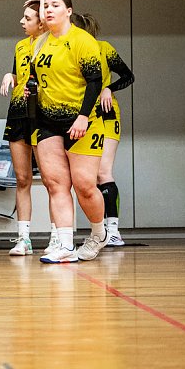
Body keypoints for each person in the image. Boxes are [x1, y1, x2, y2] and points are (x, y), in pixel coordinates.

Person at [29, 0, 107, 263]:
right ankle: (64, 245)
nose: (48, 10)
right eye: (45, 6)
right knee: (55, 184)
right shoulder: (39, 43)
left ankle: (99, 233)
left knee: (84, 185)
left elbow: (95, 82)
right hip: (48, 122)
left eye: (54, 6)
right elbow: (35, 77)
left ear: (68, 11)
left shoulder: (82, 41)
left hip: (83, 122)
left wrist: (83, 116)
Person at [72, 13, 135, 247]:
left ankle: (113, 230)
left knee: (103, 173)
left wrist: (109, 87)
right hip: (80, 116)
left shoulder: (103, 48)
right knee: (85, 177)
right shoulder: (65, 50)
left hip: (105, 113)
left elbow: (128, 76)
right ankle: (96, 230)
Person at [0, 1, 46, 256]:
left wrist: (40, 1)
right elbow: (20, 74)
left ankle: (58, 236)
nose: (21, 22)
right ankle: (23, 239)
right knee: (22, 178)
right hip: (18, 114)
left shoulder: (50, 42)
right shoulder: (19, 46)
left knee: (51, 180)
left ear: (41, 23)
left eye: (27, 18)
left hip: (41, 115)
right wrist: (10, 76)